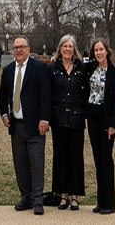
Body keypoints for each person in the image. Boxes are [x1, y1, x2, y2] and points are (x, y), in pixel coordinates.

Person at [0, 35, 50, 215]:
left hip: (35, 126)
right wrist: (4, 114)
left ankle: (38, 201)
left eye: (22, 47)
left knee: (36, 163)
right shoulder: (8, 70)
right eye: (15, 48)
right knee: (20, 164)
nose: (19, 50)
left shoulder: (38, 68)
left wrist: (44, 119)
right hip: (16, 126)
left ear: (28, 49)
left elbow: (46, 95)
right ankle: (26, 198)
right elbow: (3, 96)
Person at [48, 35, 88, 211]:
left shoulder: (81, 68)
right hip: (58, 120)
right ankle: (62, 195)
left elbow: (86, 93)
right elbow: (48, 94)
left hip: (76, 120)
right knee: (60, 157)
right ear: (60, 48)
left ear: (74, 49)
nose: (67, 49)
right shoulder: (53, 68)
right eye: (64, 46)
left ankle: (74, 197)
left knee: (76, 158)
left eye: (70, 46)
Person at [86, 38, 115, 215]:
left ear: (107, 51)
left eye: (101, 49)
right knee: (98, 160)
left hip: (106, 121)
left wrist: (112, 125)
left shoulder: (113, 73)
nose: (99, 53)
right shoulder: (91, 68)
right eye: (96, 50)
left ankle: (110, 203)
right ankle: (101, 201)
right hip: (92, 119)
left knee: (106, 161)